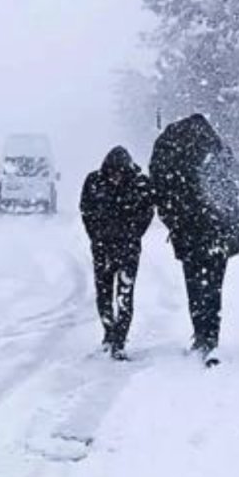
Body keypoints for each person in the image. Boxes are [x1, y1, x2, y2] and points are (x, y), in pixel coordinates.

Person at [149, 114, 239, 367]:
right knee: (213, 287)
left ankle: (201, 334)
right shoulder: (217, 153)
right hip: (218, 235)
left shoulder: (173, 155)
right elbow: (238, 194)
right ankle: (210, 336)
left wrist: (175, 223)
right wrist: (235, 231)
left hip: (191, 236)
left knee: (195, 287)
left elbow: (162, 193)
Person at [80, 146, 154, 360]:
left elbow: (148, 212)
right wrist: (96, 236)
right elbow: (86, 211)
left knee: (125, 296)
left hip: (128, 249)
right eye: (112, 173)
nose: (116, 178)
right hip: (102, 249)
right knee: (103, 294)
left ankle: (120, 340)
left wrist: (133, 234)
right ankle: (109, 333)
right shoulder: (94, 182)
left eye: (119, 173)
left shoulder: (140, 185)